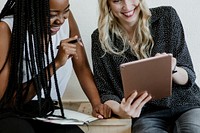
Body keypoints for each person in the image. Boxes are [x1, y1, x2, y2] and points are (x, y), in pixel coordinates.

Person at [0, 0, 111, 132]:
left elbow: (82, 67)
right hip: (10, 111)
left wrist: (96, 103)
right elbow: (5, 101)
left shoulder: (66, 20)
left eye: (65, 11)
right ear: (32, 9)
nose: (61, 20)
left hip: (46, 109)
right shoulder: (6, 28)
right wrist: (56, 63)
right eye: (52, 14)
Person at [91, 0, 200, 132]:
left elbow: (188, 75)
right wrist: (122, 110)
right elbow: (106, 92)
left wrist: (173, 69)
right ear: (107, 4)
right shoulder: (100, 39)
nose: (127, 6)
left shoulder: (166, 16)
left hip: (186, 104)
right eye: (117, 1)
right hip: (146, 113)